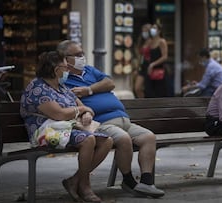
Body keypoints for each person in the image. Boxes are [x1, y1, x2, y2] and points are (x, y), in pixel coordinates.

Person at [57, 40, 165, 198]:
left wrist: (89, 90)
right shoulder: (64, 79)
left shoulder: (89, 70)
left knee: (149, 137)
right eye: (78, 55)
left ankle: (146, 183)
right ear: (65, 58)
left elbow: (110, 82)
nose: (82, 57)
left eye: (82, 53)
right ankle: (128, 180)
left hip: (123, 119)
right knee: (123, 138)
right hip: (101, 123)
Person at [20, 51, 113, 202]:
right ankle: (84, 186)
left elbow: (84, 108)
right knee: (89, 140)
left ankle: (74, 180)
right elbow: (60, 115)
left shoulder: (61, 87)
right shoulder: (37, 88)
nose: (68, 70)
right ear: (56, 70)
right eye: (65, 67)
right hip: (46, 132)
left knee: (107, 141)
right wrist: (81, 110)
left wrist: (86, 114)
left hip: (66, 129)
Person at [145, 23, 169, 98]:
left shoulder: (162, 41)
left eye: (155, 28)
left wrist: (153, 64)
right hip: (150, 70)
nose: (152, 30)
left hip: (159, 69)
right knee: (150, 92)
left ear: (159, 31)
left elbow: (164, 56)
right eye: (152, 28)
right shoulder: (150, 42)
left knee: (159, 92)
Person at [134, 23, 152, 98]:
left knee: (149, 88)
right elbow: (140, 57)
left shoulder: (153, 41)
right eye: (143, 31)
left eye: (146, 31)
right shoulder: (142, 42)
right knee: (137, 88)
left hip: (150, 65)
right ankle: (142, 102)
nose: (144, 33)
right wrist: (137, 68)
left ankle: (148, 104)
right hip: (142, 66)